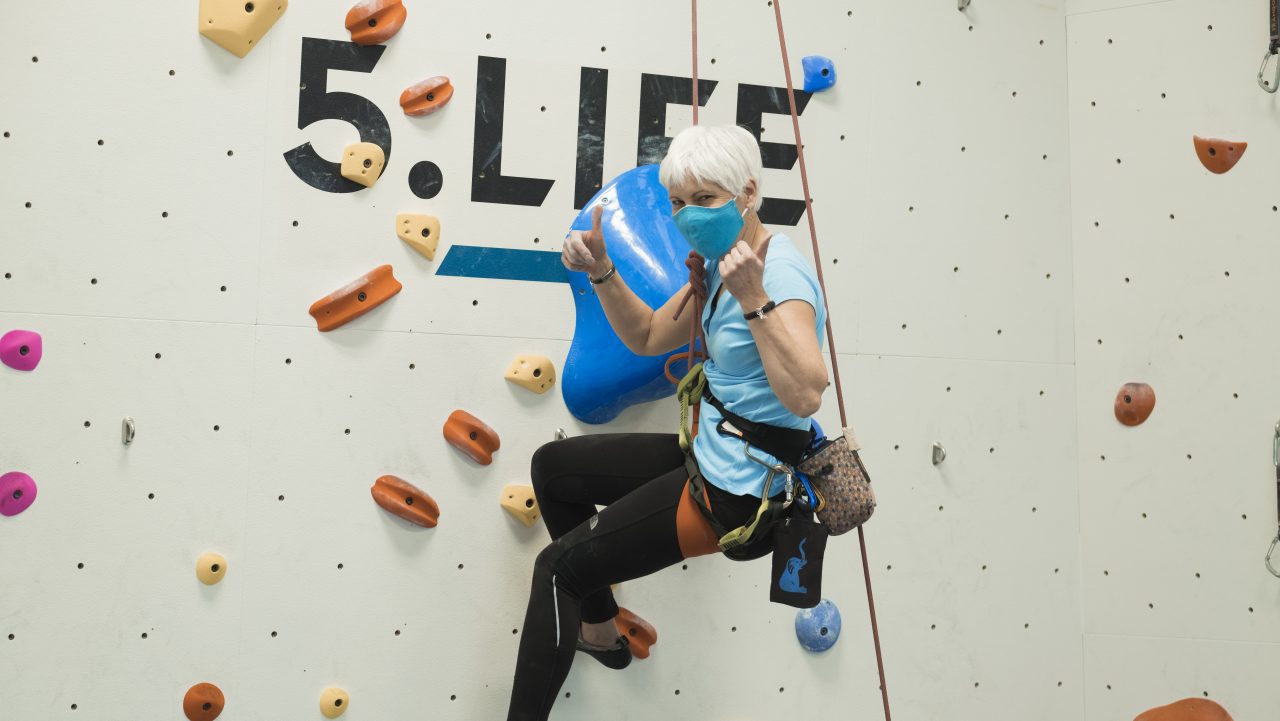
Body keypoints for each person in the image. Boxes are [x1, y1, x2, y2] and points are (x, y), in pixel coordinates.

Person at [505, 124, 829, 721]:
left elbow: (807, 392)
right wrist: (602, 271)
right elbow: (650, 335)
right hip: (711, 452)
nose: (687, 216)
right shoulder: (717, 264)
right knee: (554, 471)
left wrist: (755, 300)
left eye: (704, 200)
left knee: (558, 573)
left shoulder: (776, 276)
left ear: (748, 192)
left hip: (738, 494)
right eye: (678, 203)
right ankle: (599, 632)